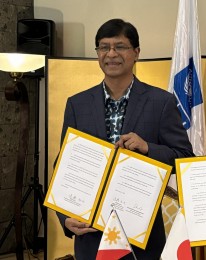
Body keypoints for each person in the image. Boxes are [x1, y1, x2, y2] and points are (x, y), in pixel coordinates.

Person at [56, 18, 194, 260]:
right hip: (90, 235)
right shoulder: (77, 104)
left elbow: (185, 159)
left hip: (142, 237)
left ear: (136, 52)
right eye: (103, 47)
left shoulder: (161, 102)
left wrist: (148, 148)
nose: (111, 54)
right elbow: (63, 168)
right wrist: (65, 218)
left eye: (120, 46)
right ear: (97, 53)